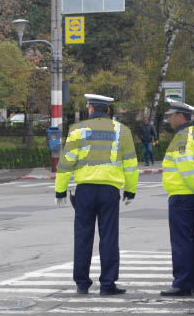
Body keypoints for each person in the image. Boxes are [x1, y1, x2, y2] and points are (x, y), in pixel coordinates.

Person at [55, 94, 139, 296]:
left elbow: (66, 164)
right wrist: (130, 190)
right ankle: (108, 284)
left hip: (84, 191)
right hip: (110, 191)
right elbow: (131, 165)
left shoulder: (77, 130)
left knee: (83, 237)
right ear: (108, 110)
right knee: (109, 237)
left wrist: (60, 190)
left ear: (90, 109)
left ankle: (82, 284)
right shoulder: (122, 131)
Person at [160, 100, 194, 296]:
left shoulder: (182, 138)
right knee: (192, 241)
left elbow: (186, 169)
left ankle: (181, 283)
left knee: (181, 242)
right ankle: (193, 283)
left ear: (180, 116)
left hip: (183, 196)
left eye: (170, 116)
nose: (169, 119)